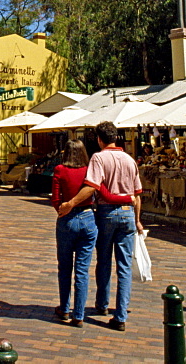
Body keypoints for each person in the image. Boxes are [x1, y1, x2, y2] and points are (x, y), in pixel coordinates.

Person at [58, 121, 144, 331]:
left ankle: (103, 304)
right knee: (124, 266)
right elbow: (138, 194)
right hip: (128, 214)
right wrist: (138, 219)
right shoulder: (130, 160)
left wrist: (70, 204)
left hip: (106, 212)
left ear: (99, 139)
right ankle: (121, 315)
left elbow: (91, 187)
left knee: (104, 261)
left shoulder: (98, 157)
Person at [51, 140, 97, 328]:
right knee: (82, 270)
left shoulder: (60, 170)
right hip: (87, 217)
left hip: (67, 219)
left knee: (65, 267)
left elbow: (55, 198)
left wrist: (62, 210)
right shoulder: (89, 170)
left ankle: (64, 307)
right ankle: (79, 313)